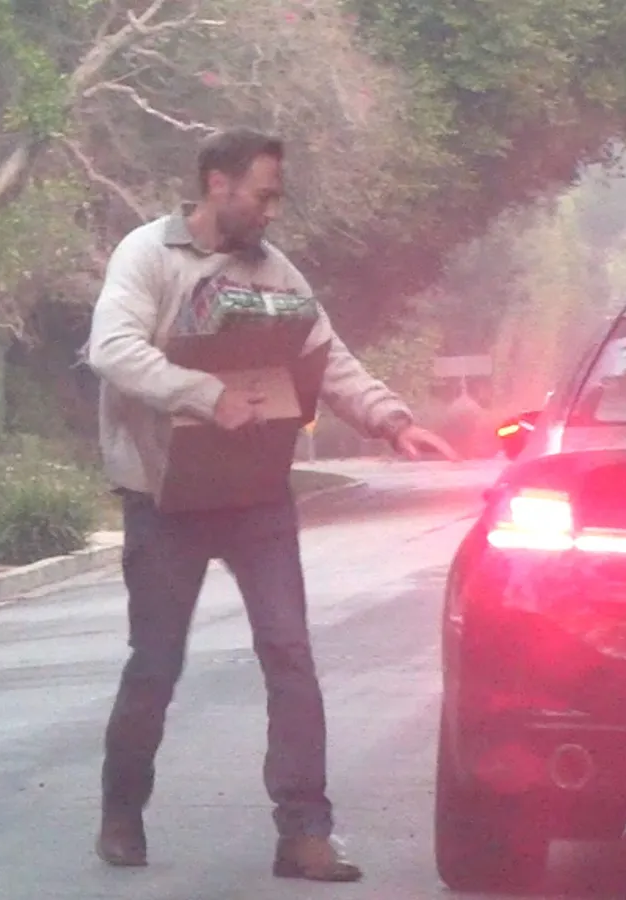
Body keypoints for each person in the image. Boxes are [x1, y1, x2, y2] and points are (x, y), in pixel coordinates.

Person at [86, 126, 456, 882]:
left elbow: (331, 358)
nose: (272, 211)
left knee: (289, 656)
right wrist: (204, 395)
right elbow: (112, 350)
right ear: (218, 184)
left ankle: (304, 833)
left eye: (277, 196)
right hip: (165, 496)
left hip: (255, 493)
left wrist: (393, 421)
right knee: (155, 664)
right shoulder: (147, 257)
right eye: (264, 194)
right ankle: (122, 812)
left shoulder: (276, 271)